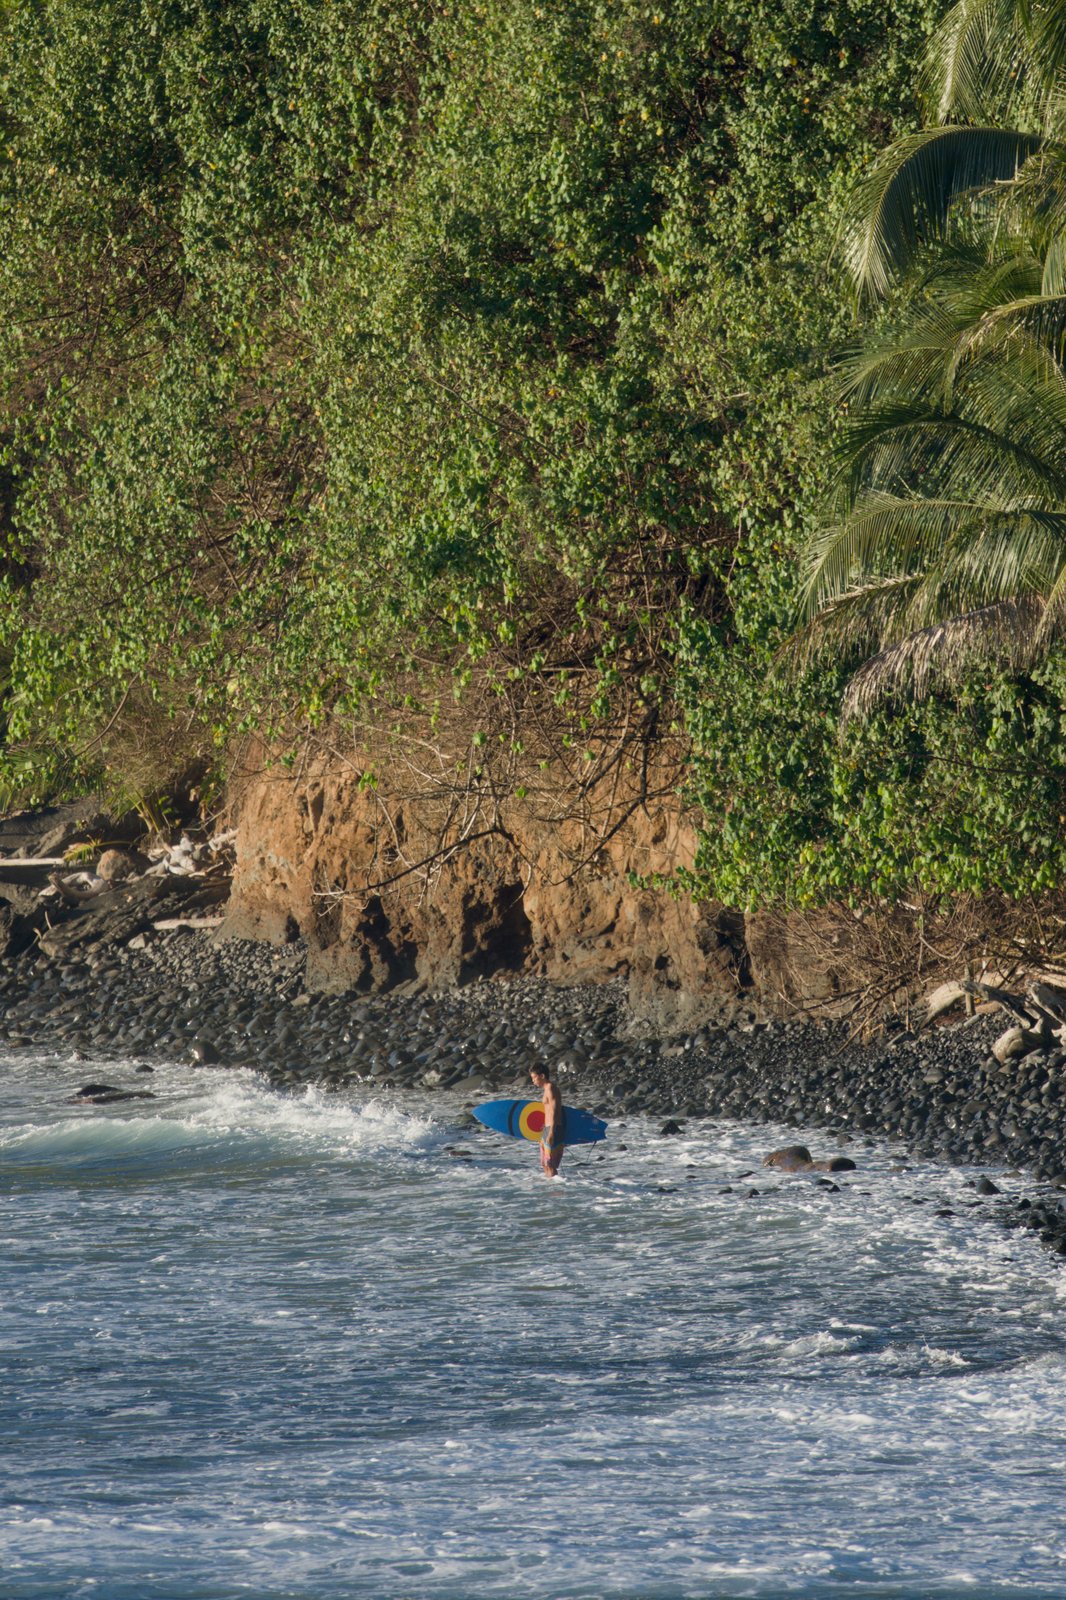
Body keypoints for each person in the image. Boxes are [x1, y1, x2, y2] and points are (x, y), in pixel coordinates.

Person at [529, 1065, 564, 1177]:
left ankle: (557, 1186)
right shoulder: (547, 1089)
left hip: (553, 1128)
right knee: (544, 1163)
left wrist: (551, 1132)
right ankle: (550, 1185)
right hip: (547, 1128)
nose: (533, 1081)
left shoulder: (550, 1088)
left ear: (542, 1076)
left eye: (534, 1078)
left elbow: (554, 1111)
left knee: (550, 1164)